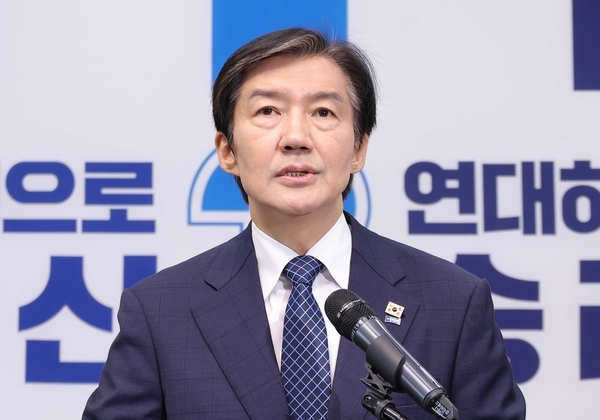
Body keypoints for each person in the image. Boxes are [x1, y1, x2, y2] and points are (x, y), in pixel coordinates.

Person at [83, 28, 526, 419]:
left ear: (358, 149)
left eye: (323, 113)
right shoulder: (161, 310)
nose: (296, 138)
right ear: (227, 151)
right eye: (268, 111)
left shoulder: (453, 301)